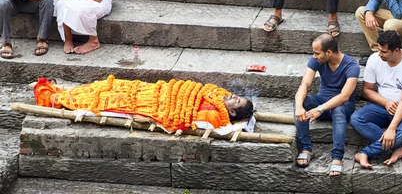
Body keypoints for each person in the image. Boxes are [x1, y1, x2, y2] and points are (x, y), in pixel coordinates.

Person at [34, 75, 254, 132]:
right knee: (115, 85)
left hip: (153, 105)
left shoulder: (214, 116)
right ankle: (68, 91)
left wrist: (153, 118)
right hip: (157, 90)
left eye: (236, 101)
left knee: (105, 99)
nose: (233, 96)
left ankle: (57, 97)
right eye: (237, 96)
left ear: (232, 113)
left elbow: (179, 118)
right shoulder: (217, 93)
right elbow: (191, 89)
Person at [350, 31, 402, 169]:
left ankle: (365, 152)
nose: (379, 54)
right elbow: (367, 90)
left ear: (396, 51)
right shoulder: (374, 59)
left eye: (384, 52)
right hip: (382, 105)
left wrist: (392, 129)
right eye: (379, 50)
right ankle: (398, 147)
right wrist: (386, 102)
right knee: (356, 118)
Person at [293, 34, 360, 176]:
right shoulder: (316, 60)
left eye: (317, 53)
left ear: (328, 52)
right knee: (301, 101)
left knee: (338, 109)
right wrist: (299, 106)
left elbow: (344, 96)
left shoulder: (351, 65)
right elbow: (305, 84)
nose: (314, 56)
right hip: (321, 101)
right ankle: (306, 148)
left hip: (343, 106)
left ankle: (337, 158)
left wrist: (320, 109)